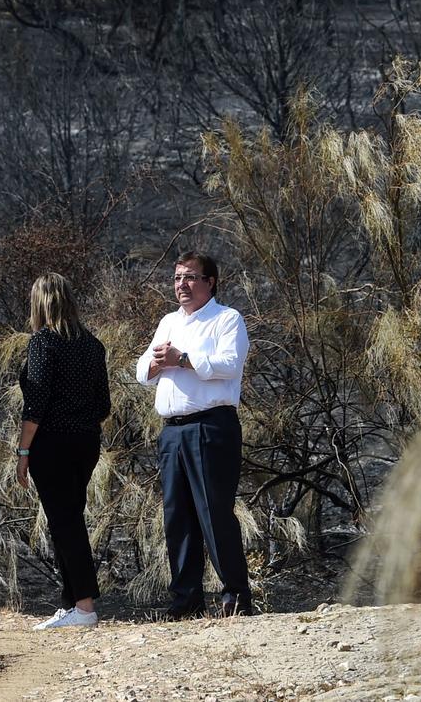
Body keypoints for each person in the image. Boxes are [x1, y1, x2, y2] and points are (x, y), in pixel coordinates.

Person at [135, 251, 255, 618]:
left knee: (213, 512)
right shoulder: (168, 321)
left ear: (210, 281)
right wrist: (156, 363)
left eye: (189, 278)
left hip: (210, 425)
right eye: (176, 279)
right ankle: (185, 600)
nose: (181, 286)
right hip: (172, 431)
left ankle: (235, 594)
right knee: (178, 517)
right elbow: (142, 370)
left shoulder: (226, 319)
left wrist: (183, 359)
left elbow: (229, 365)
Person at [15, 272, 111, 630]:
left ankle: (84, 607)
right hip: (86, 441)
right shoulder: (93, 345)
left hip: (52, 442)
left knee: (64, 522)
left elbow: (35, 403)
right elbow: (104, 404)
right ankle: (71, 603)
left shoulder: (43, 342)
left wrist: (23, 452)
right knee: (71, 518)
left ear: (39, 303)